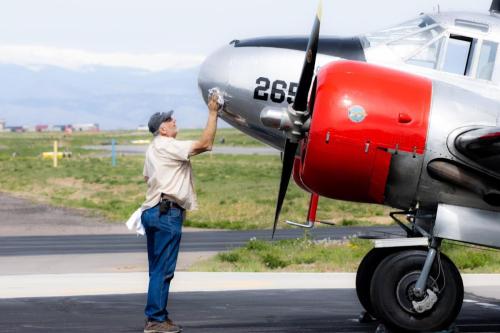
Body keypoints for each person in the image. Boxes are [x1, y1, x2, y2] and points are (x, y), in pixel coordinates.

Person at [140, 93, 220, 333]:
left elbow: (146, 177)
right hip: (167, 213)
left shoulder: (153, 148)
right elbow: (205, 144)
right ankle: (155, 320)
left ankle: (158, 316)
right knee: (164, 270)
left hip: (153, 210)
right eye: (169, 119)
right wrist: (213, 112)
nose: (174, 120)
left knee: (157, 269)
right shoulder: (168, 145)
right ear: (162, 129)